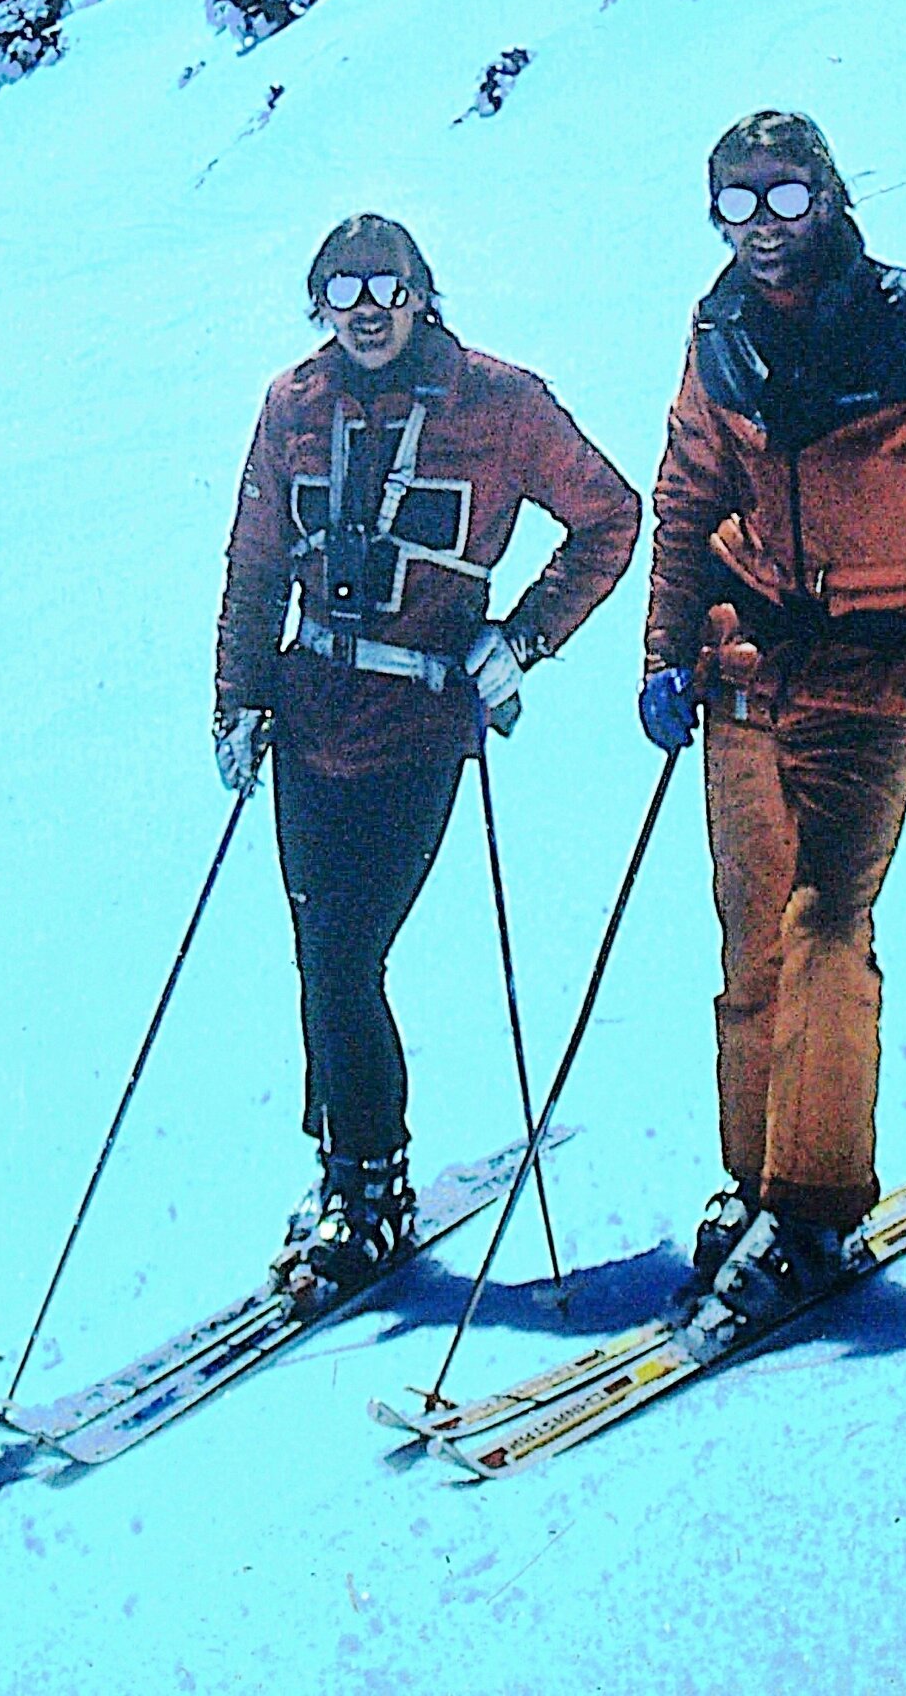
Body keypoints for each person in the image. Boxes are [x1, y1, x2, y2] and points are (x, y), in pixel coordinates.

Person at [640, 112, 906, 1335]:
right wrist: (664, 653)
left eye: (781, 199)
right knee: (748, 958)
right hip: (738, 679)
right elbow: (684, 494)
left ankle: (816, 1206)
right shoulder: (717, 327)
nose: (759, 229)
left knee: (826, 931)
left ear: (828, 194)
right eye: (733, 205)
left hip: (871, 685)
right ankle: (756, 1188)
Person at [215, 213, 641, 1301]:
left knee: (345, 958)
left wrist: (524, 638)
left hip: (416, 722)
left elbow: (607, 516)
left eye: (386, 287)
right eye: (343, 288)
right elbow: (256, 561)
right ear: (319, 300)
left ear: (420, 295)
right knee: (322, 955)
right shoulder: (291, 406)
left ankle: (369, 1191)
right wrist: (237, 699)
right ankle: (344, 1166)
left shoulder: (499, 403)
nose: (365, 308)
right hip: (310, 717)